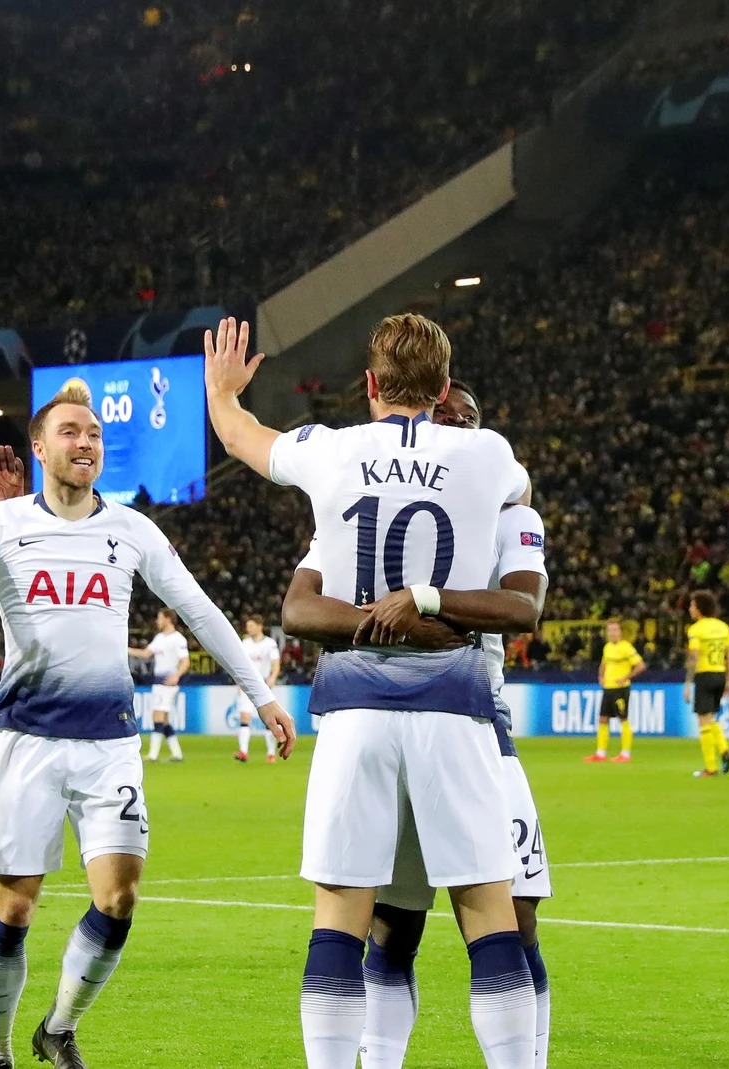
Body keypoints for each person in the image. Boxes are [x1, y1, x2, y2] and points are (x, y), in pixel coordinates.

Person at [0, 379, 294, 1069]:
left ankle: (57, 1027)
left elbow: (201, 609)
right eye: (70, 432)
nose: (85, 442)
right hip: (28, 739)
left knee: (118, 897)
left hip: (111, 743)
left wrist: (260, 694)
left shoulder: (132, 529)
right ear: (38, 447)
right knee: (15, 907)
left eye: (93, 433)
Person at [205, 313, 539, 1069]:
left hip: (355, 710)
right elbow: (521, 494)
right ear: (446, 388)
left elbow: (238, 436)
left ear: (368, 385)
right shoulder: (488, 453)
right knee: (488, 913)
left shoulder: (333, 450)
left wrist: (223, 392)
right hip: (457, 705)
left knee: (341, 916)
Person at [283, 379, 555, 1069]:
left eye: (465, 420)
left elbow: (524, 605)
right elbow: (304, 603)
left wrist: (428, 603)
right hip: (398, 719)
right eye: (441, 417)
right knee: (393, 926)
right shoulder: (373, 505)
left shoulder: (510, 517)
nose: (450, 428)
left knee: (515, 917)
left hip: (481, 730)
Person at [684, 591, 729, 777]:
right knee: (710, 718)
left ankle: (711, 767)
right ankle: (723, 749)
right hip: (720, 675)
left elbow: (694, 657)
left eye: (692, 605)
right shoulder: (723, 627)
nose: (690, 609)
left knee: (703, 723)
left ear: (699, 608)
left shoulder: (696, 630)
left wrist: (688, 683)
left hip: (704, 675)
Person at [130, 609, 189, 762]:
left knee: (157, 715)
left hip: (167, 683)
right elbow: (146, 654)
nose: (157, 621)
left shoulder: (178, 639)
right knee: (164, 719)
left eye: (159, 617)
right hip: (158, 682)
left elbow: (185, 661)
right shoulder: (160, 638)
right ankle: (177, 754)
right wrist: (125, 649)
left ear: (168, 619)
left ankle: (153, 754)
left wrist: (177, 675)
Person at [588, 620, 644, 763]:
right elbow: (604, 664)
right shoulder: (607, 647)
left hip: (621, 689)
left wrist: (625, 677)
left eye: (615, 630)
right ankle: (600, 753)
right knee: (603, 719)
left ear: (620, 632)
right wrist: (601, 676)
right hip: (608, 688)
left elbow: (640, 665)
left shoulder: (626, 647)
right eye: (610, 630)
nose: (612, 633)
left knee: (623, 719)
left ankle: (625, 754)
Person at [235, 616, 284, 762]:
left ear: (260, 626)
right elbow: (239, 664)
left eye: (251, 626)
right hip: (247, 685)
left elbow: (276, 663)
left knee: (268, 719)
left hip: (263, 685)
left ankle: (271, 754)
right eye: (247, 626)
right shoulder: (244, 643)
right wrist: (238, 682)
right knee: (245, 717)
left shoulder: (270, 644)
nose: (248, 628)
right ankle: (243, 752)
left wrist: (273, 677)